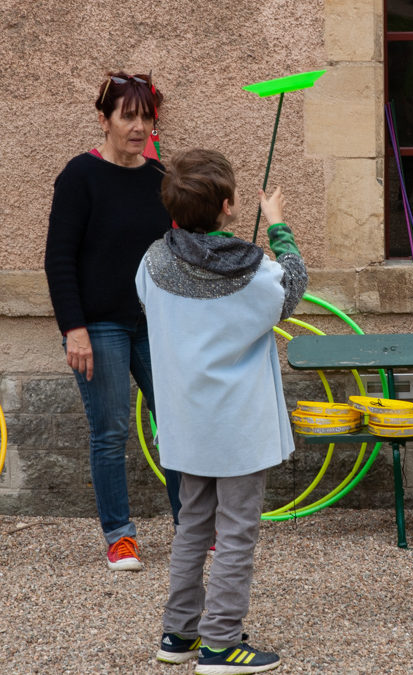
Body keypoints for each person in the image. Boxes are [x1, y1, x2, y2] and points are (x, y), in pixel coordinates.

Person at [135, 148, 307, 673]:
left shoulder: (152, 263)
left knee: (193, 525)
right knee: (234, 532)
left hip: (186, 422)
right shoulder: (254, 271)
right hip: (238, 427)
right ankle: (220, 644)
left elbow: (152, 303)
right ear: (228, 206)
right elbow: (292, 286)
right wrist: (277, 226)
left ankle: (179, 633)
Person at [44, 71, 181, 571]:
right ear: (104, 120)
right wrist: (73, 328)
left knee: (179, 423)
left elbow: (175, 251)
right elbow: (59, 258)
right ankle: (120, 537)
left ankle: (191, 526)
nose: (139, 127)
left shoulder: (159, 177)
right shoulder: (80, 176)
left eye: (146, 117)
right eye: (128, 116)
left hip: (154, 323)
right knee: (110, 432)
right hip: (98, 326)